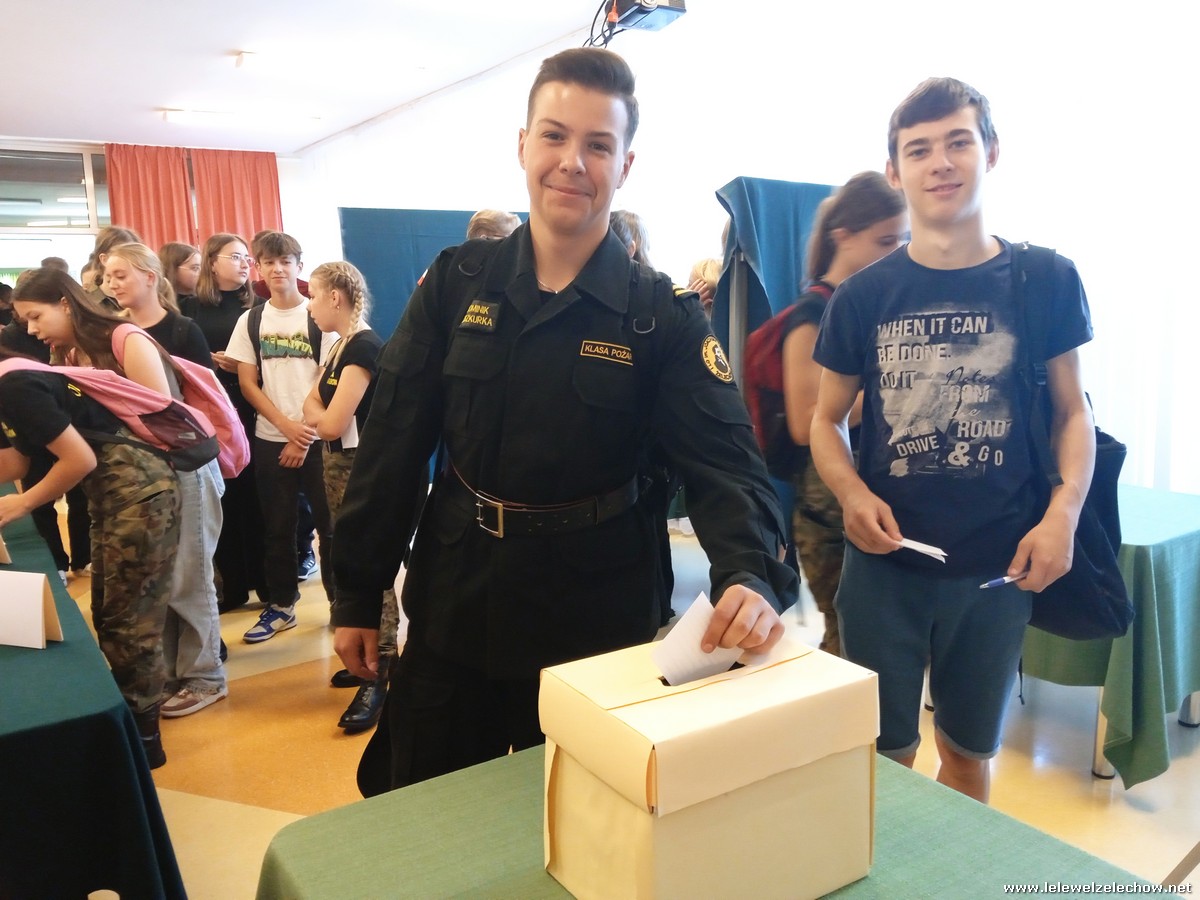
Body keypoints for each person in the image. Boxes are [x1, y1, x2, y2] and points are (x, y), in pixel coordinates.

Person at [331, 47, 795, 795]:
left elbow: (727, 465)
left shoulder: (661, 316)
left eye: (598, 145)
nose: (572, 162)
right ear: (523, 145)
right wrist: (358, 591)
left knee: (589, 824)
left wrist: (749, 573)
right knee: (431, 814)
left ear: (626, 164)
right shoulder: (456, 284)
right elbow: (392, 443)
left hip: (598, 620)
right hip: (458, 602)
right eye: (554, 136)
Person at [810, 78, 1095, 803]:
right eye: (919, 150)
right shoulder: (864, 297)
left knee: (967, 755)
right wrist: (850, 493)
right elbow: (825, 419)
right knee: (882, 760)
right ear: (894, 170)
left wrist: (1063, 515)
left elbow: (1073, 413)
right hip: (885, 567)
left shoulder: (1044, 279)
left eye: (958, 142)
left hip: (998, 568)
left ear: (990, 152)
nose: (940, 163)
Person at [9, 269, 182, 768]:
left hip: (142, 491)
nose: (32, 330)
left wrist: (24, 502)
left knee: (133, 623)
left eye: (36, 316)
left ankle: (145, 742)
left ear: (65, 303)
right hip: (114, 495)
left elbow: (151, 423)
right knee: (110, 612)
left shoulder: (120, 338)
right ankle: (131, 724)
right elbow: (21, 457)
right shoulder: (62, 357)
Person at [782, 172, 907, 656]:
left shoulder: (871, 306)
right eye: (885, 241)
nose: (896, 252)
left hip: (872, 503)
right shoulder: (811, 315)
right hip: (829, 514)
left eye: (902, 239)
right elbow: (803, 421)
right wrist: (891, 388)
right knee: (848, 644)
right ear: (844, 237)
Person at [104, 243, 229, 716]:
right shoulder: (112, 332)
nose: (111, 284)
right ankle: (176, 673)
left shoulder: (180, 329)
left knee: (191, 576)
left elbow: (199, 400)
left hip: (187, 462)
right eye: (107, 276)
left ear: (150, 277)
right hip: (149, 471)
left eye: (120, 274)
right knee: (167, 574)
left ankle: (205, 676)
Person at [300, 261, 403, 733]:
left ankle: (380, 670)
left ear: (335, 297)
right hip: (336, 466)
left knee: (366, 564)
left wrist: (317, 413)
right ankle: (363, 657)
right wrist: (317, 412)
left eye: (314, 296)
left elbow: (330, 423)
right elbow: (312, 405)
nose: (310, 306)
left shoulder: (363, 347)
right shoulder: (339, 345)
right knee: (344, 557)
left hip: (357, 468)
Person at [225, 231, 335, 642]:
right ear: (258, 268)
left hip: (318, 439)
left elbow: (328, 380)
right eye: (268, 262)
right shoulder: (250, 320)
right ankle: (282, 605)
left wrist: (301, 435)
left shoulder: (318, 315)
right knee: (277, 527)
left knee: (329, 526)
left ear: (298, 266)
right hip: (271, 437)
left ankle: (340, 604)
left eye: (285, 261)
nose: (277, 269)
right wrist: (286, 428)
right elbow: (248, 383)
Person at [181, 233, 267, 613]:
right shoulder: (189, 311)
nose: (245, 263)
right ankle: (233, 584)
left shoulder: (259, 306)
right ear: (211, 262)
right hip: (211, 412)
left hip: (252, 407)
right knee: (223, 498)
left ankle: (266, 582)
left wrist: (246, 366)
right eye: (235, 256)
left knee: (257, 500)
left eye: (247, 257)